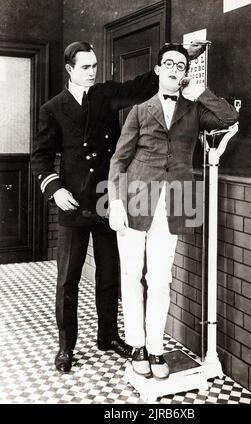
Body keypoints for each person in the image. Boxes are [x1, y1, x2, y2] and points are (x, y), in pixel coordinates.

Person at [108, 43, 239, 380]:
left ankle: (155, 349)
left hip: (177, 200)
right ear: (157, 70)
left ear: (184, 74)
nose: (173, 69)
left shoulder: (194, 109)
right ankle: (136, 344)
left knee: (161, 279)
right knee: (131, 274)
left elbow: (229, 117)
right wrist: (116, 203)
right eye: (168, 63)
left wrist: (200, 91)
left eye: (180, 66)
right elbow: (118, 160)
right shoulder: (138, 110)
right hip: (135, 196)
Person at [31, 41, 161, 373]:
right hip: (73, 204)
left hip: (107, 201)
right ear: (70, 69)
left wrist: (170, 62)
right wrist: (55, 189)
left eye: (94, 66)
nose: (93, 72)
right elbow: (40, 158)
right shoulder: (53, 108)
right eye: (86, 67)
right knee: (68, 279)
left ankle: (108, 336)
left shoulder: (104, 96)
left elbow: (138, 87)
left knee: (108, 274)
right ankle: (65, 347)